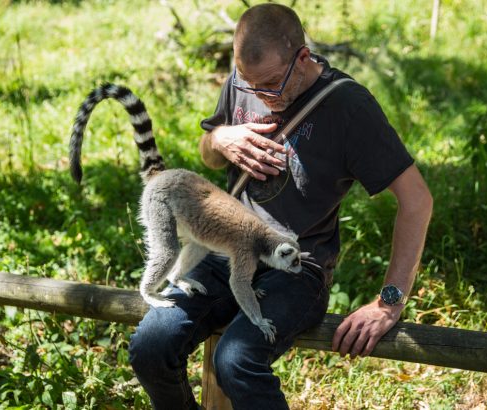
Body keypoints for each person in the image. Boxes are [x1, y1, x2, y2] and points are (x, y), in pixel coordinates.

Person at [129, 3, 433, 409]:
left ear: (302, 58)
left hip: (296, 266)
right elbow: (209, 154)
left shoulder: (349, 108)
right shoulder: (245, 78)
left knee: (235, 361)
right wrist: (219, 138)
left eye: (271, 84)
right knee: (150, 347)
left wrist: (389, 302)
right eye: (250, 84)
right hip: (223, 248)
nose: (260, 95)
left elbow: (417, 199)